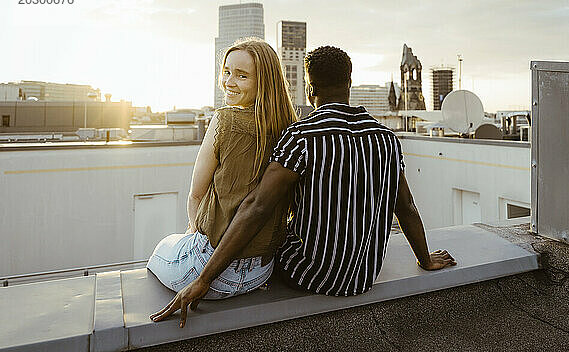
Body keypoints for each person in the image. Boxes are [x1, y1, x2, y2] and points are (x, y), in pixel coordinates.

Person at [151, 46, 456, 328]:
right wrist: (425, 259)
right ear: (349, 84)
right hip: (364, 275)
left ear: (310, 91)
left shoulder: (302, 136)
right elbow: (405, 206)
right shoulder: (384, 138)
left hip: (307, 274)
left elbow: (257, 206)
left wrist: (204, 279)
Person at [146, 38, 297, 300]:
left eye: (242, 75)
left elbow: (196, 195)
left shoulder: (224, 119)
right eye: (226, 72)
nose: (229, 81)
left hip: (207, 270)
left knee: (160, 250)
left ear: (264, 82)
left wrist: (193, 233)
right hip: (260, 273)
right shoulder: (292, 130)